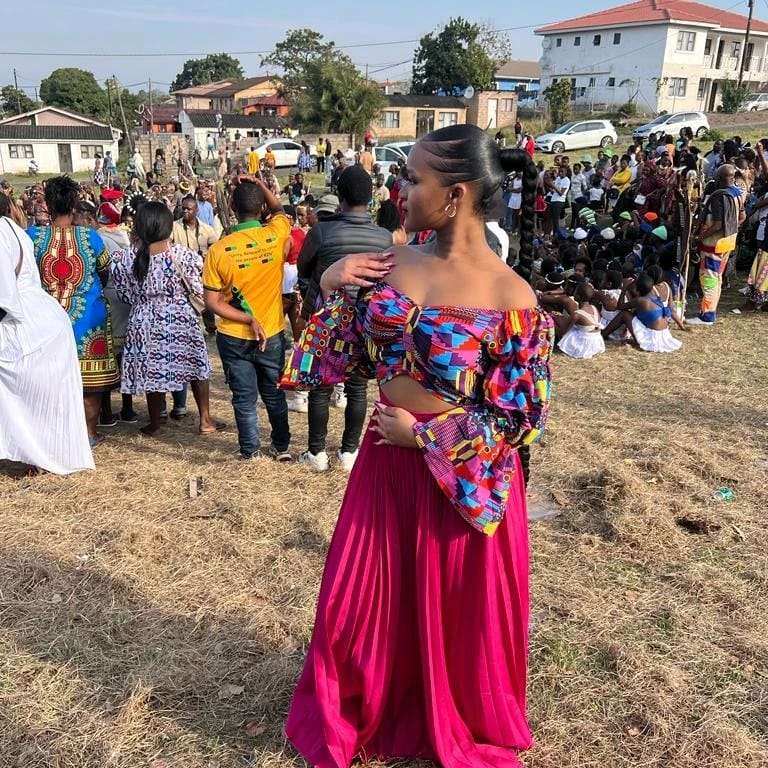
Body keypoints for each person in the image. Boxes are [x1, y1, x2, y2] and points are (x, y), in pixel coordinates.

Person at [280, 123, 552, 768]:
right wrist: (329, 285)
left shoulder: (513, 297)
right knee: (359, 603)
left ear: (454, 196)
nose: (399, 189)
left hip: (457, 479)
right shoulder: (388, 261)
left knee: (452, 618)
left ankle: (446, 712)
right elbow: (331, 358)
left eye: (413, 178)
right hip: (384, 464)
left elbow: (520, 420)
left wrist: (426, 433)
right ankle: (367, 701)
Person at [296, 164, 393, 472]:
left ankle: (317, 454)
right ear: (371, 197)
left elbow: (302, 268)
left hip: (327, 318)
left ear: (339, 195)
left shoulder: (322, 231)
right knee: (357, 387)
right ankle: (349, 452)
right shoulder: (384, 238)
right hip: (365, 322)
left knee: (321, 387)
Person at [0, 193, 94, 474]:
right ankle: (39, 455)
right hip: (46, 318)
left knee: (30, 396)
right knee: (42, 397)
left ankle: (36, 455)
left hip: (24, 322)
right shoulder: (16, 230)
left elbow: (5, 294)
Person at [203, 177, 292, 461]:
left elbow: (212, 302)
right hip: (273, 333)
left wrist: (244, 318)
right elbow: (279, 210)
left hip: (233, 336)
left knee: (244, 398)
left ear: (231, 206)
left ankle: (250, 452)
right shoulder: (276, 234)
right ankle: (281, 447)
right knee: (274, 394)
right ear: (261, 207)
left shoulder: (219, 250)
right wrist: (260, 184)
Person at [110, 201, 217, 436]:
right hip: (180, 317)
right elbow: (199, 290)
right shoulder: (184, 255)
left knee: (152, 371)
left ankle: (156, 421)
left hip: (144, 319)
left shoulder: (125, 258)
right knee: (196, 367)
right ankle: (205, 420)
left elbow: (125, 295)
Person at [28, 175, 119, 446]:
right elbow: (105, 273)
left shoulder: (31, 236)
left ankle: (54, 438)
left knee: (50, 382)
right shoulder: (91, 237)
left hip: (47, 322)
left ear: (49, 204)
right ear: (75, 203)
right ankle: (89, 435)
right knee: (90, 384)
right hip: (88, 318)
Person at [96, 200, 137, 426]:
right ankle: (128, 409)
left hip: (108, 296)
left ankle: (106, 413)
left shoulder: (100, 238)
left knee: (107, 354)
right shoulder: (125, 237)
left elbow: (100, 269)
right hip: (125, 298)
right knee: (124, 355)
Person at [689, 164, 744, 326]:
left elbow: (718, 224)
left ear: (719, 179)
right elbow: (742, 216)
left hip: (713, 245)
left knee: (709, 278)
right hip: (727, 243)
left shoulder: (720, 196)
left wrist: (699, 236)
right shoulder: (737, 193)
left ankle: (707, 316)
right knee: (717, 277)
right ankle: (709, 309)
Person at [602, 272, 683, 352]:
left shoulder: (640, 301)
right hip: (664, 335)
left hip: (652, 338)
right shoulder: (655, 297)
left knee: (624, 314)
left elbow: (619, 307)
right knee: (633, 313)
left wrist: (624, 290)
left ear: (637, 289)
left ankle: (603, 334)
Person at [557, 283, 605, 359]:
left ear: (578, 296)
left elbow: (563, 332)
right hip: (596, 343)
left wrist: (558, 320)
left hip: (584, 346)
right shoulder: (594, 307)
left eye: (575, 292)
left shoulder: (577, 314)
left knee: (559, 322)